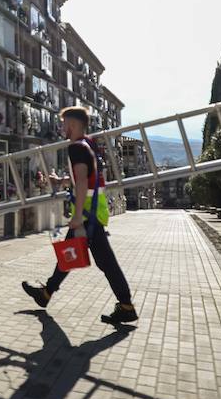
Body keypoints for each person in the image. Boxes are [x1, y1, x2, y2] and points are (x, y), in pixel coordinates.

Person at [22, 106, 138, 325]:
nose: (62, 127)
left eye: (64, 123)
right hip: (93, 211)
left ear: (72, 124)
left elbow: (83, 180)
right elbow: (84, 178)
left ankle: (126, 306)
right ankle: (46, 293)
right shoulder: (89, 144)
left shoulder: (76, 148)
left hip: (87, 214)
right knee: (70, 253)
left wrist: (76, 217)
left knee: (105, 262)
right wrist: (62, 181)